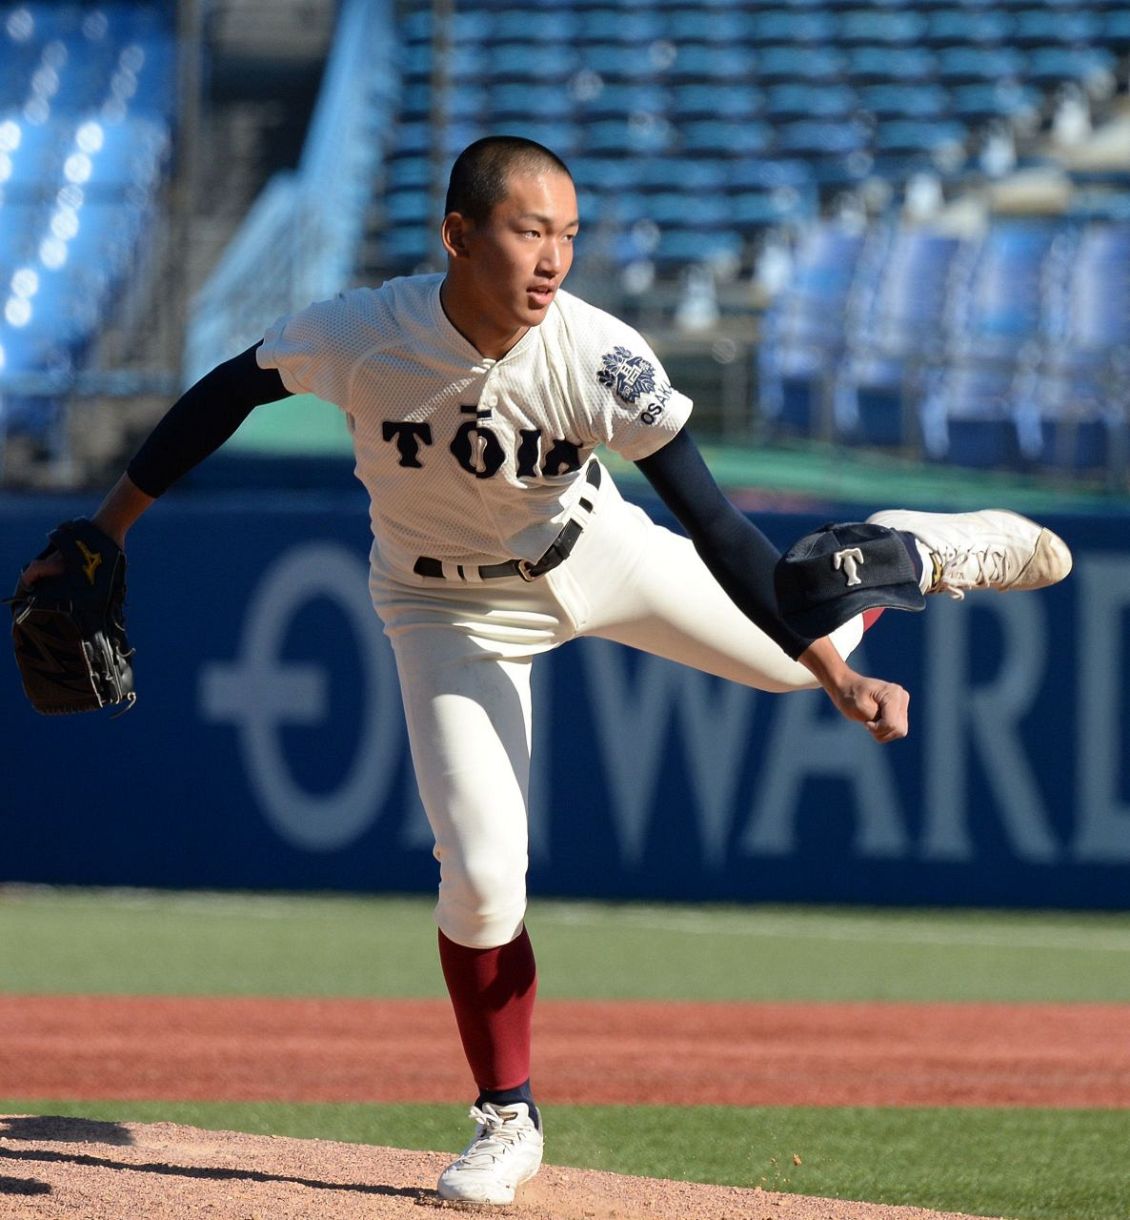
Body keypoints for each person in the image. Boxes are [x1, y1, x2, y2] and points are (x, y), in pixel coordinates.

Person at [22, 136, 1071, 1205]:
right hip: (444, 607)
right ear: (457, 236)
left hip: (594, 548)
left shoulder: (598, 356)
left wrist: (827, 671)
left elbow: (709, 520)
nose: (553, 257)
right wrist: (108, 529)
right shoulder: (363, 333)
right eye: (530, 230)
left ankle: (907, 550)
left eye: (568, 233)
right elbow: (227, 393)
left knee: (813, 655)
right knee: (479, 870)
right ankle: (506, 1116)